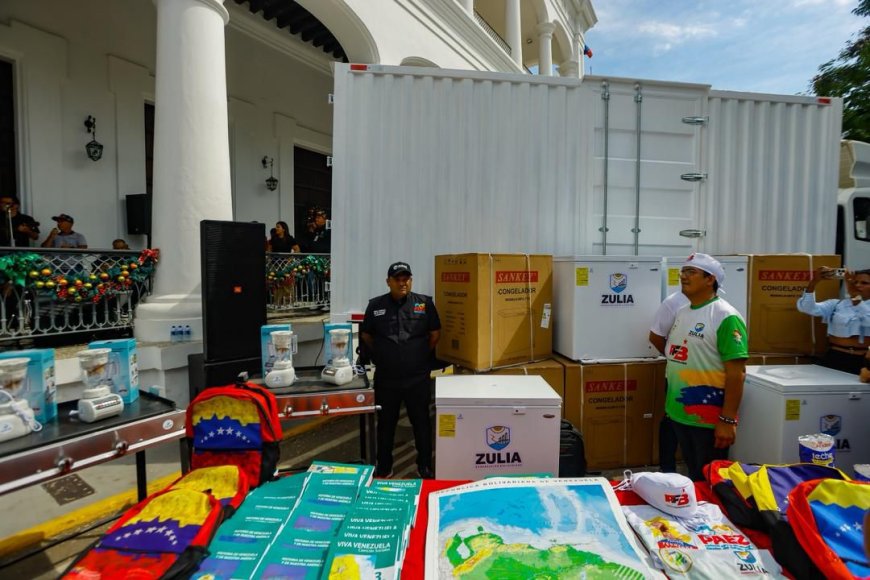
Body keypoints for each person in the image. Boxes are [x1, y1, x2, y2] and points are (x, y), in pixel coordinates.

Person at [664, 253, 748, 482]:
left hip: (708, 420)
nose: (683, 276)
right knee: (693, 475)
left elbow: (737, 373)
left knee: (711, 482)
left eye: (691, 272)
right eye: (683, 271)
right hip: (681, 413)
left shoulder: (724, 316)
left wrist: (728, 420)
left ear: (710, 279)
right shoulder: (683, 312)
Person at [360, 261, 441, 479]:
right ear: (388, 282)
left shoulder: (424, 304)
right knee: (385, 426)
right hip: (387, 379)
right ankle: (384, 467)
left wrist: (418, 355)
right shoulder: (375, 306)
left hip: (417, 378)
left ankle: (424, 466)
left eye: (406, 279)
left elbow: (434, 334)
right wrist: (383, 354)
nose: (402, 282)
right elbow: (367, 335)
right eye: (397, 279)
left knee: (422, 424)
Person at [797, 266, 870, 374]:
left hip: (862, 360)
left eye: (864, 283)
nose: (857, 285)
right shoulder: (837, 304)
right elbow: (807, 308)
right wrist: (814, 282)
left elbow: (867, 320)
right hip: (834, 356)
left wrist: (855, 296)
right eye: (855, 282)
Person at [649, 290, 690, 473]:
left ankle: (699, 474)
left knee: (696, 426)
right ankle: (667, 470)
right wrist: (674, 358)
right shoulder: (673, 302)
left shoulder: (718, 307)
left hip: (708, 376)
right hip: (677, 376)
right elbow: (655, 336)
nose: (685, 278)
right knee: (671, 421)